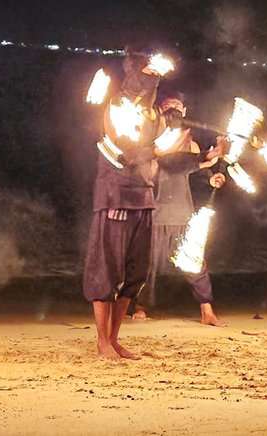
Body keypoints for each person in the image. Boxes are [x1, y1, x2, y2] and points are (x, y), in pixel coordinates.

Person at [83, 49, 165, 360]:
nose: (151, 84)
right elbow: (120, 152)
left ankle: (114, 339)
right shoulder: (115, 107)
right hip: (115, 196)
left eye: (155, 79)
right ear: (134, 78)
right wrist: (154, 150)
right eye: (146, 77)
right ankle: (102, 341)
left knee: (135, 273)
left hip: (144, 199)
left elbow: (161, 148)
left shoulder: (153, 115)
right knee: (107, 269)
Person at [132, 96, 227, 325]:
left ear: (184, 110)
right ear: (159, 111)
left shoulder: (191, 144)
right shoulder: (152, 142)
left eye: (176, 106)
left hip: (183, 211)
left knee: (193, 259)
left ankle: (207, 309)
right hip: (155, 212)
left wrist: (212, 177)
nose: (172, 110)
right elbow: (157, 167)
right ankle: (140, 306)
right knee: (148, 263)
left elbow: (195, 170)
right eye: (167, 107)